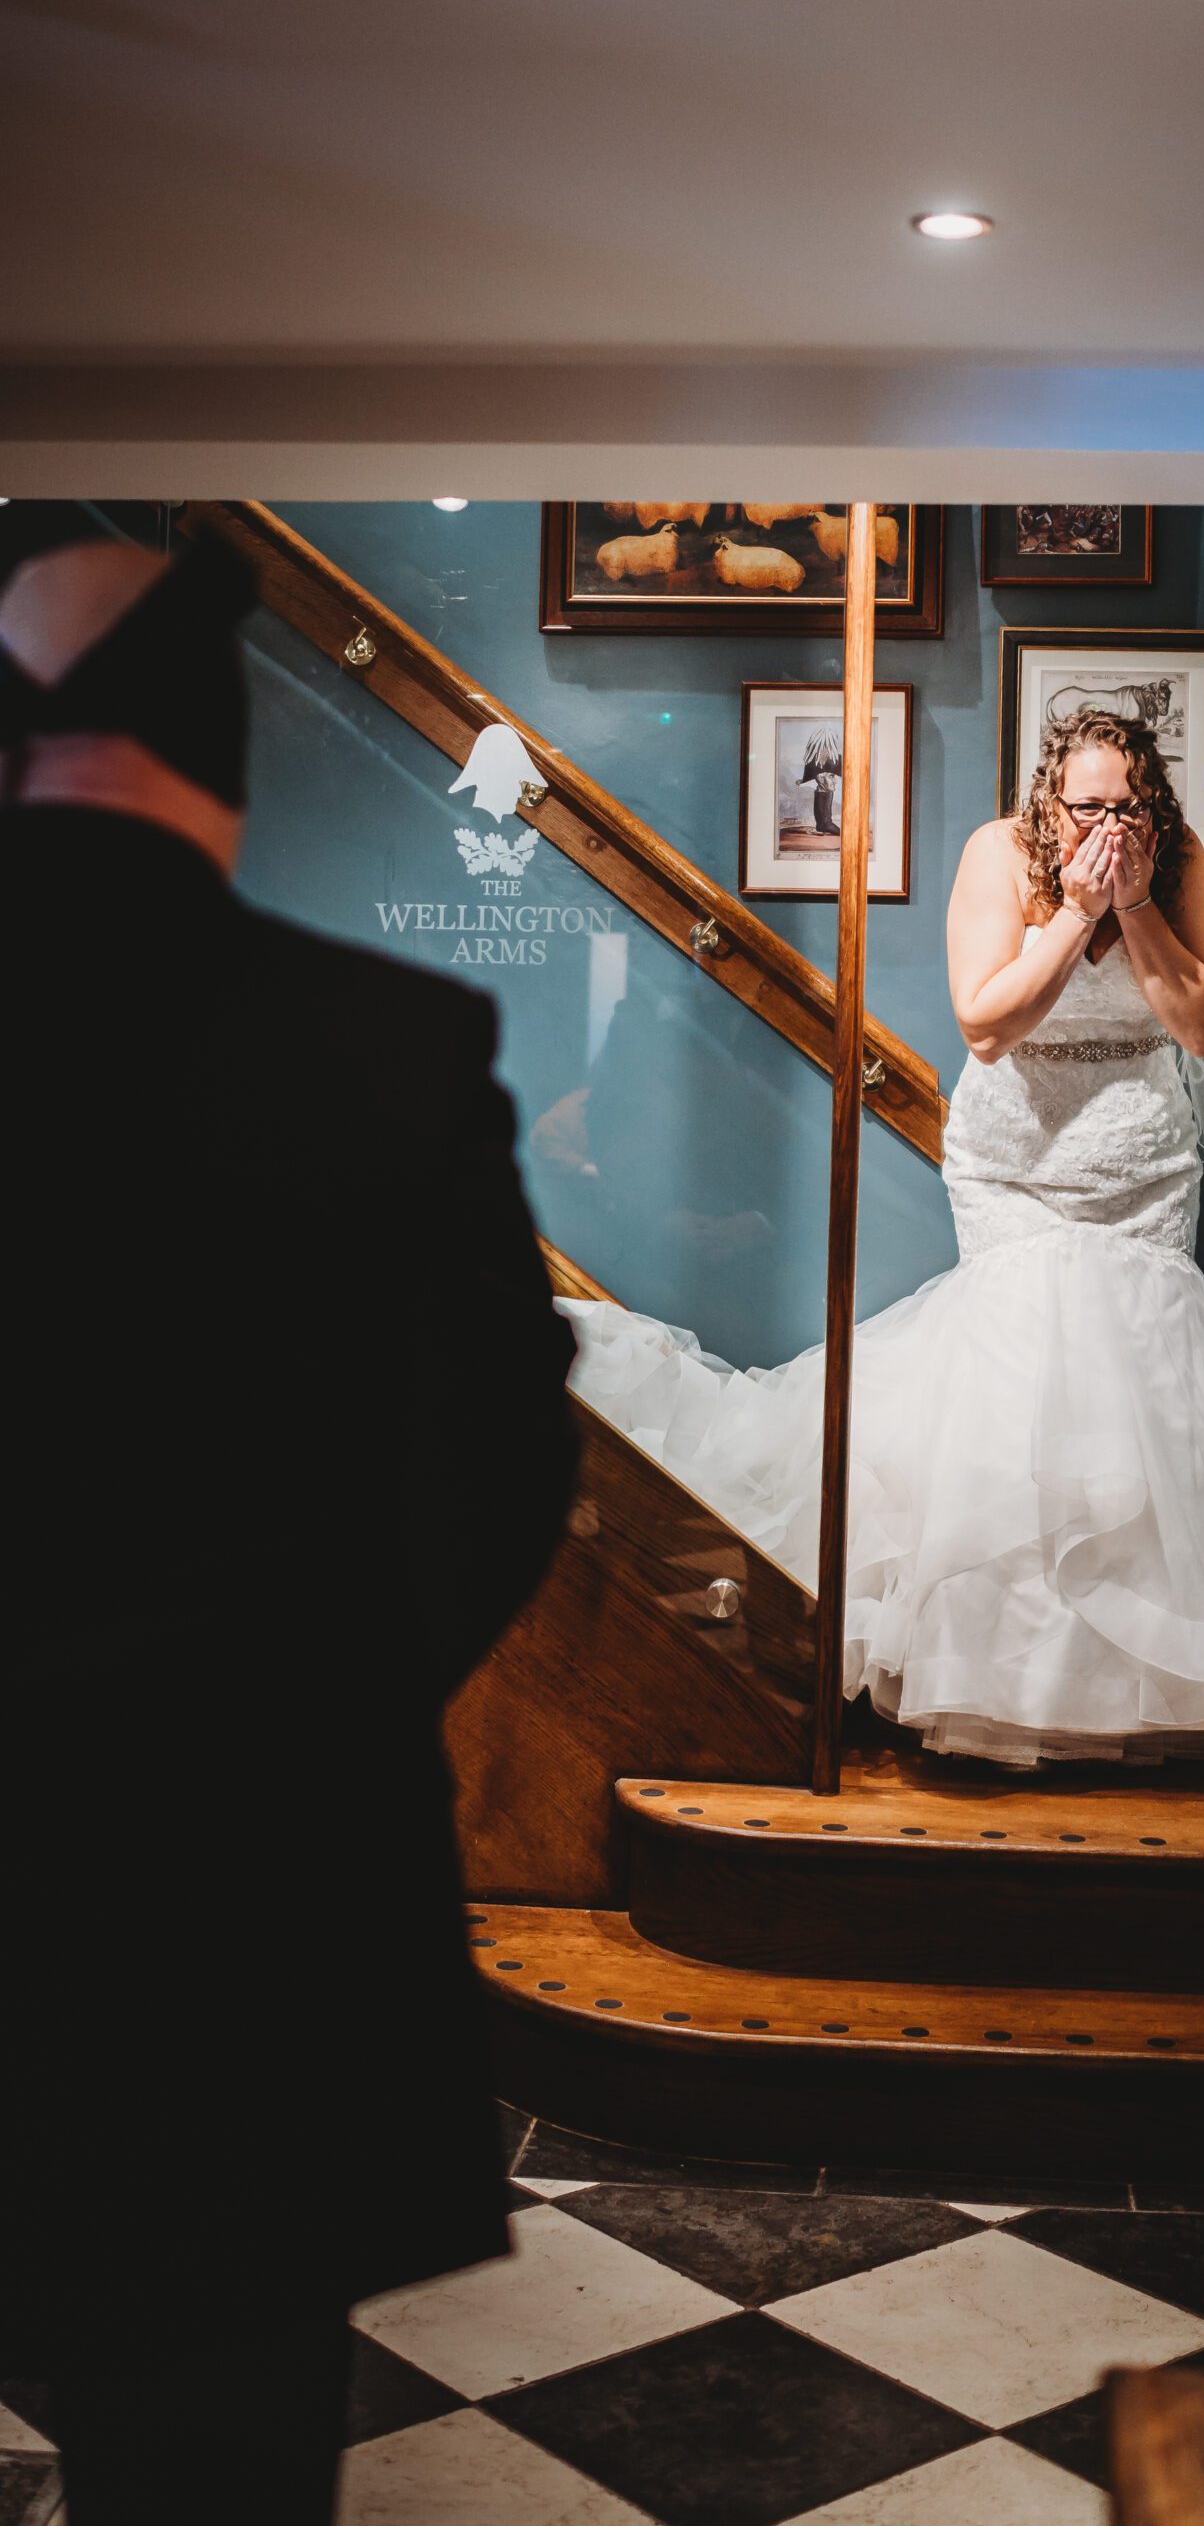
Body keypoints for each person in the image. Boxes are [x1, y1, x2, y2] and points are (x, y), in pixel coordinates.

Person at [0, 529, 581, 2521]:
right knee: (211, 2474)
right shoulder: (388, 1048)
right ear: (224, 741)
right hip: (248, 1907)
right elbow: (506, 1461)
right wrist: (311, 1695)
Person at [565, 704, 1204, 1765]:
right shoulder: (1000, 854)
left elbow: (1199, 1020)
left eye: (1129, 804)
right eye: (1090, 805)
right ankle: (997, 1668)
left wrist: (1137, 901)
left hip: (1143, 1172)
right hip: (1019, 1166)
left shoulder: (1174, 856)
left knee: (1143, 1383)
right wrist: (1073, 909)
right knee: (1019, 1388)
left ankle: (1137, 1689)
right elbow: (985, 1020)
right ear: (1050, 800)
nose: (1111, 821)